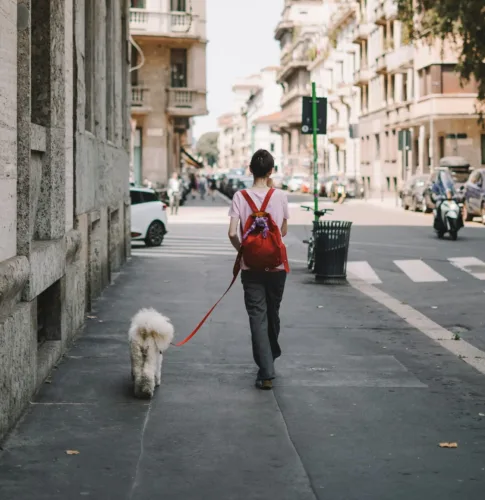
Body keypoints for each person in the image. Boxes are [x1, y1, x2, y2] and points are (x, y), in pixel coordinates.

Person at [228, 149, 289, 390]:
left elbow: (233, 232)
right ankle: (269, 361)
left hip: (250, 267)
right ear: (271, 171)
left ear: (250, 170)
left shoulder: (239, 196)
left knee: (257, 316)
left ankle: (266, 370)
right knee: (272, 313)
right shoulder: (280, 196)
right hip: (276, 267)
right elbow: (282, 232)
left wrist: (243, 249)